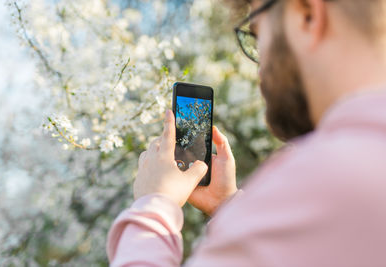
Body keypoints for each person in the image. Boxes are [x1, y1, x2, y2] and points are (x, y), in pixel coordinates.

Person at [106, 0, 386, 266]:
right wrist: (227, 206)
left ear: (308, 15)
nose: (259, 66)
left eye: (258, 36)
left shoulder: (321, 180)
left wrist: (154, 206)